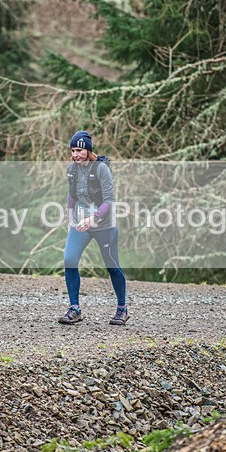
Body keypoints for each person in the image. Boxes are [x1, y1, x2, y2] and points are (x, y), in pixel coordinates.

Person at [58, 131, 128, 326]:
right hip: (80, 224)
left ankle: (122, 309)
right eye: (73, 150)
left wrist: (93, 218)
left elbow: (109, 201)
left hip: (104, 224)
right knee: (69, 260)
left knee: (112, 265)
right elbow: (72, 194)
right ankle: (75, 309)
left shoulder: (101, 169)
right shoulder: (71, 168)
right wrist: (69, 215)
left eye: (79, 150)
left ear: (88, 150)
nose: (75, 154)